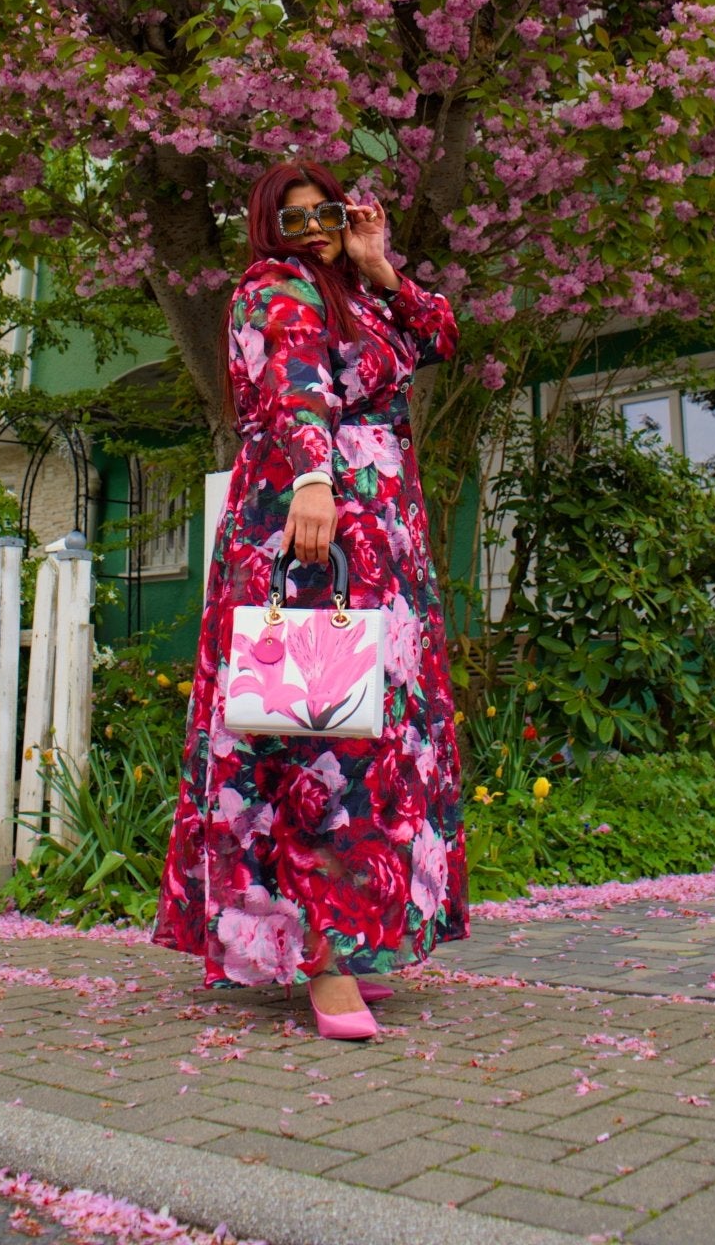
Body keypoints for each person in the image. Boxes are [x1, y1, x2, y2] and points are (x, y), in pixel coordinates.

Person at [153, 159, 469, 1039]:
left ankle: (348, 935)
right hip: (311, 531)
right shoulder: (274, 289)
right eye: (291, 219)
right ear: (266, 230)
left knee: (370, 731)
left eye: (325, 212)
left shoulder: (356, 296)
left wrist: (378, 265)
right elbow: (296, 388)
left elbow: (439, 337)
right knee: (316, 735)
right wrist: (314, 483)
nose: (312, 229)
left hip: (379, 537)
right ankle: (323, 960)